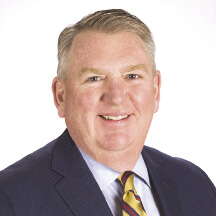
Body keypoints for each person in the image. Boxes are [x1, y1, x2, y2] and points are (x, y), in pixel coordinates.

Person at [0, 9, 215, 216]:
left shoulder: (194, 185)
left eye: (132, 76)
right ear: (61, 97)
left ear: (155, 89)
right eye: (94, 78)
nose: (116, 97)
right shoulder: (11, 198)